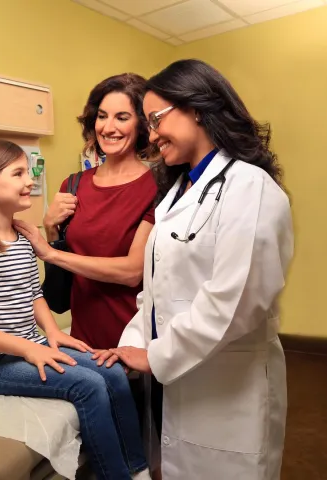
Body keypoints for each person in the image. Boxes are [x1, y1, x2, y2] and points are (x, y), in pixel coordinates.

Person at [99, 59, 294, 480]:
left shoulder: (249, 186)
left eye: (156, 120)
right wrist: (131, 343)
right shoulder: (175, 194)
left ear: (197, 108)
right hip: (175, 383)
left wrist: (156, 355)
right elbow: (155, 291)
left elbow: (236, 299)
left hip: (227, 390)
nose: (151, 136)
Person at [0, 139, 151, 480]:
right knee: (89, 385)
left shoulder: (23, 236)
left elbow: (32, 295)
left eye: (28, 171)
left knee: (113, 372)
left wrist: (53, 333)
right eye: (19, 173)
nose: (31, 180)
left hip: (30, 346)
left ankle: (137, 469)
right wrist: (28, 348)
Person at [14, 73, 157, 351]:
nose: (108, 127)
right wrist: (51, 227)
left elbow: (132, 271)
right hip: (81, 340)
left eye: (122, 117)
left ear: (142, 124)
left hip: (134, 342)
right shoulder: (74, 185)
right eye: (102, 116)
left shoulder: (156, 188)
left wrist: (50, 251)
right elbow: (59, 293)